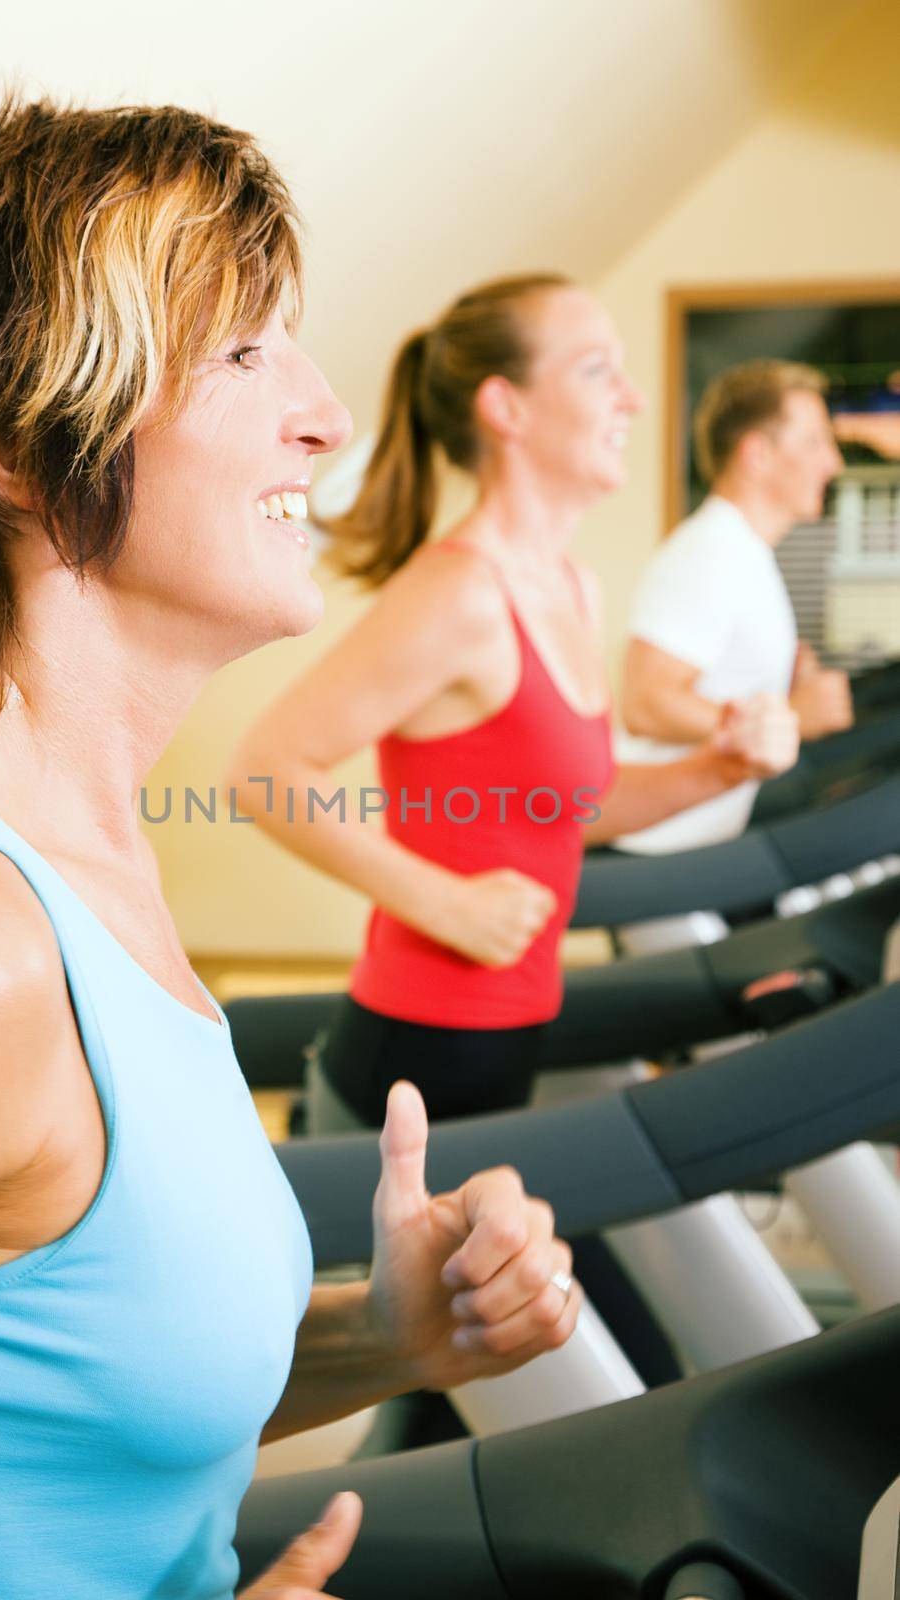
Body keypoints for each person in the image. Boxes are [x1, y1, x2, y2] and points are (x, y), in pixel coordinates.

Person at [0, 96, 581, 1600]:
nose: (325, 411)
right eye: (243, 353)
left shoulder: (77, 855)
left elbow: (37, 1380)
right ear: (17, 453)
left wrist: (393, 1336)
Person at [228, 276, 799, 1386]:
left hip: (508, 1036)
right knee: (564, 1360)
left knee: (475, 1385)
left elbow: (567, 812)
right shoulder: (460, 595)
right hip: (416, 1054)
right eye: (594, 369)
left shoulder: (571, 587)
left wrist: (718, 764)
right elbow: (267, 768)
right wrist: (441, 898)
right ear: (505, 407)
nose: (631, 395)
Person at [617, 358, 852, 854]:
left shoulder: (744, 552)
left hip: (702, 835)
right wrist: (791, 717)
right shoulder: (711, 551)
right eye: (813, 442)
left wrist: (786, 682)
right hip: (659, 846)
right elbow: (646, 703)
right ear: (757, 454)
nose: (833, 462)